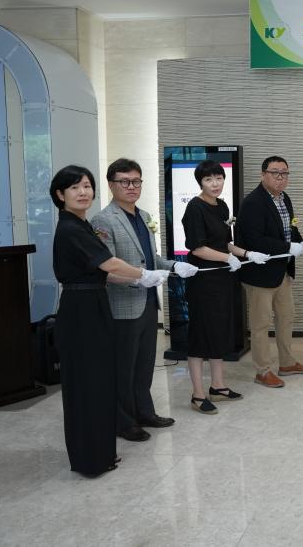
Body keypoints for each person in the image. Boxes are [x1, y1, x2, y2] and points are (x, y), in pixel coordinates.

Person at [50, 165, 168, 477]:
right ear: (60, 195)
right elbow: (110, 263)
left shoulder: (81, 224)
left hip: (94, 304)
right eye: (74, 187)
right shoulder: (72, 229)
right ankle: (90, 458)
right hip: (81, 311)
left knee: (97, 383)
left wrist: (160, 269)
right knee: (87, 386)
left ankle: (100, 453)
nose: (83, 192)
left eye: (86, 186)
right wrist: (143, 275)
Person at [91, 158, 198, 443]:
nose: (131, 187)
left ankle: (145, 412)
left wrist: (175, 266)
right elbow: (105, 268)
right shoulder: (103, 220)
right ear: (111, 184)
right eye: (124, 181)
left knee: (144, 365)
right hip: (123, 305)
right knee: (124, 368)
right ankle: (124, 422)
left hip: (149, 303)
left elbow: (151, 259)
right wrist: (138, 279)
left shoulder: (145, 215)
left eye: (136, 181)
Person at [182, 160, 256, 413]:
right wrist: (227, 258)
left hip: (223, 279)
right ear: (200, 182)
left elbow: (226, 243)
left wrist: (247, 253)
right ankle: (197, 394)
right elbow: (198, 248)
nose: (215, 184)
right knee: (201, 335)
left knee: (219, 331)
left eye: (219, 178)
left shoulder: (222, 206)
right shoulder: (195, 208)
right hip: (203, 281)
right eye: (208, 179)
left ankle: (218, 386)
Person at [237, 156, 303, 388]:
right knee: (261, 324)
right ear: (263, 175)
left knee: (286, 317)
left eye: (284, 173)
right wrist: (288, 247)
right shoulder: (252, 202)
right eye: (275, 173)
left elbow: (290, 228)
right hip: (259, 274)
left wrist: (301, 242)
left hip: (282, 271)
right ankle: (262, 371)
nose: (280, 178)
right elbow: (255, 240)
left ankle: (287, 363)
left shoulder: (284, 198)